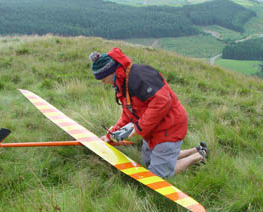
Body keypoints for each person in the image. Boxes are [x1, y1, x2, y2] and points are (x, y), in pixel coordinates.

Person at [89, 48, 208, 178]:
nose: (102, 82)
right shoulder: (122, 83)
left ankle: (198, 156)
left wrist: (139, 127)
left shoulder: (139, 76)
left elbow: (162, 101)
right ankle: (194, 150)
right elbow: (128, 113)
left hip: (169, 127)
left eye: (102, 78)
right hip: (152, 130)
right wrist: (111, 134)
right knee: (147, 163)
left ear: (111, 71)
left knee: (157, 175)